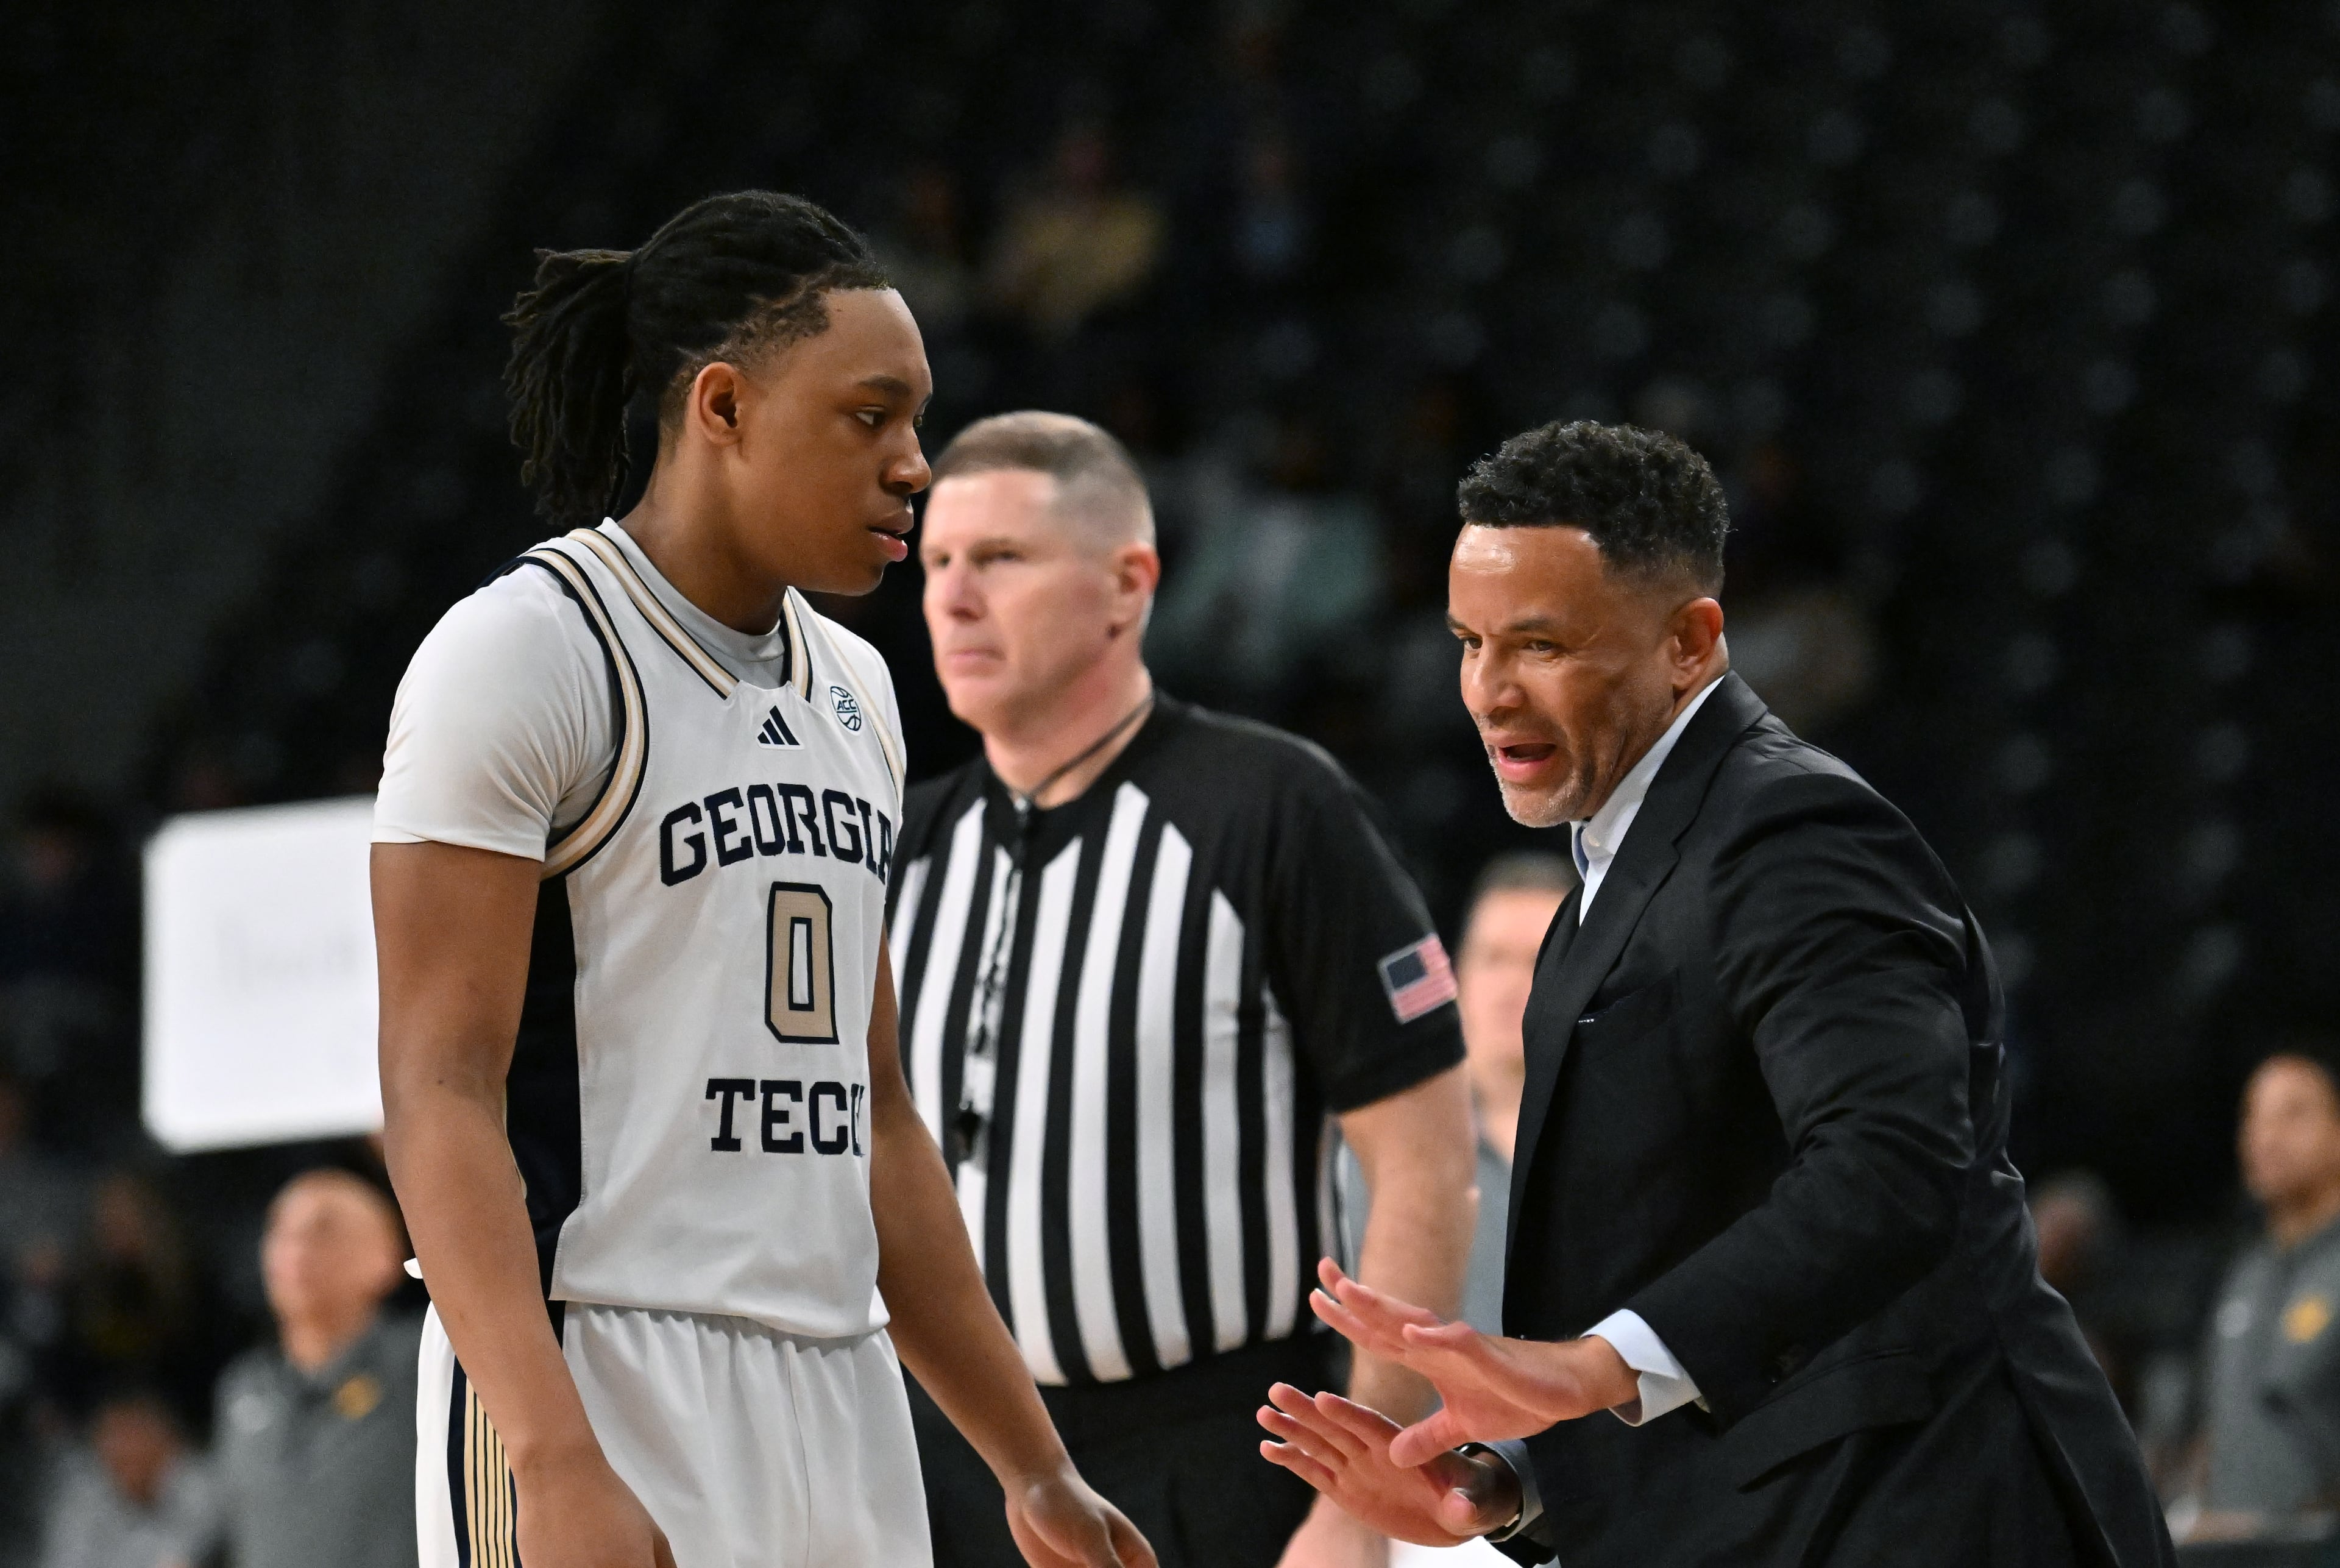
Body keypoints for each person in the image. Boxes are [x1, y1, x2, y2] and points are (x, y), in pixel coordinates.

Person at [372, 191, 1150, 1568]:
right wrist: (551, 1454)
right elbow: (437, 1089)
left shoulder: (857, 687)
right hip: (594, 1355)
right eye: (870, 416)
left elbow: (881, 1122)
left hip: (831, 1372)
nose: (915, 465)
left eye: (917, 421)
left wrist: (1033, 1466)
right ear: (721, 406)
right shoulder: (526, 652)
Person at [1256, 420, 2175, 1567]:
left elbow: (1891, 1165)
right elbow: (1686, 1264)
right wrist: (1503, 1486)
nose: (1487, 690)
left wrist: (1583, 1367)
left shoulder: (1791, 830)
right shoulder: (1612, 871)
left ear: (1691, 643)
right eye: (1468, 640)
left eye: (1539, 644)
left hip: (1933, 1511)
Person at [892, 411, 1476, 1568]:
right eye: (938, 563)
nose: (954, 598)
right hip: (940, 1461)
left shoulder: (1270, 807)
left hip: (1214, 1455)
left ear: (1129, 584)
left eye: (1001, 559)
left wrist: (1361, 1496)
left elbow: (1423, 1156)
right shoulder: (900, 843)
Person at [2170, 1049, 2340, 1539]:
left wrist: (2290, 1527)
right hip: (2227, 1550)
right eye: (2254, 1116)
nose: (2267, 1136)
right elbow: (2208, 1426)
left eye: (2294, 1113)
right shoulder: (2242, 1272)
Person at [213, 1169, 421, 1568]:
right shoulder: (243, 1388)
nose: (295, 1249)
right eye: (280, 1231)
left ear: (386, 1256)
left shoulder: (422, 1366)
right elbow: (223, 1524)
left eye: (323, 1231)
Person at [1446, 854, 1574, 1337]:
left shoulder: (1635, 1148)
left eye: (1536, 961)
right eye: (1493, 958)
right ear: (1458, 976)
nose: (1510, 986)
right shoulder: (1372, 1150)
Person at [37, 1387, 219, 1568]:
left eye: (133, 1434)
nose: (123, 1449)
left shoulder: (203, 1489)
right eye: (113, 1437)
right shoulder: (83, 1497)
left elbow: (184, 1555)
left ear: (166, 1439)